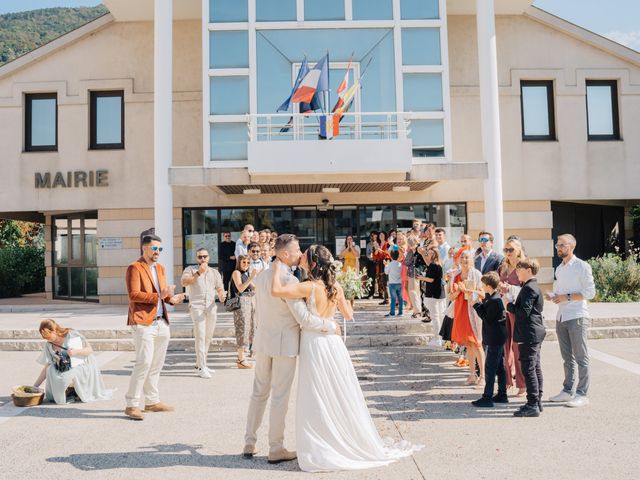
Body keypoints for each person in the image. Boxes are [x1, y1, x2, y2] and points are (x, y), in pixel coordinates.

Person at [269, 244, 422, 472]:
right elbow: (348, 315)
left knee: (317, 393)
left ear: (312, 264)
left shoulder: (308, 287)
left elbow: (276, 291)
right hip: (334, 344)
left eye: (305, 255)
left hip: (315, 343)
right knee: (337, 391)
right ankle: (339, 438)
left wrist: (275, 268)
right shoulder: (335, 287)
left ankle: (322, 444)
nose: (301, 256)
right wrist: (343, 297)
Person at [243, 235, 340, 464]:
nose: (300, 254)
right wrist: (330, 325)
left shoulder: (265, 276)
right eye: (297, 250)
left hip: (263, 341)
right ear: (285, 254)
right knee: (279, 397)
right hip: (283, 344)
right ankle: (276, 448)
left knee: (258, 393)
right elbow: (304, 319)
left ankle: (249, 441)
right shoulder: (289, 281)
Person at [124, 234, 185, 421]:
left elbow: (163, 295)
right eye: (155, 248)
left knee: (157, 364)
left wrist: (171, 299)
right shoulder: (135, 267)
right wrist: (160, 295)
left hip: (161, 322)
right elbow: (134, 295)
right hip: (143, 322)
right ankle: (131, 404)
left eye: (160, 249)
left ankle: (151, 401)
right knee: (143, 363)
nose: (158, 252)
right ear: (145, 248)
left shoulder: (160, 268)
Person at [546, 234, 596, 408]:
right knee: (567, 358)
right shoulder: (559, 268)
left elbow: (590, 293)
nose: (558, 248)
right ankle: (567, 391)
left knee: (581, 357)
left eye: (562, 245)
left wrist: (565, 297)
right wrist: (554, 296)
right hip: (561, 316)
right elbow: (561, 292)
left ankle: (582, 394)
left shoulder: (582, 266)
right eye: (557, 245)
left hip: (577, 316)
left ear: (572, 246)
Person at [34, 319, 112, 404]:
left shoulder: (71, 335)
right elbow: (47, 367)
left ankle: (73, 391)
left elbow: (90, 350)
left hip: (82, 363)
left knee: (68, 375)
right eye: (45, 338)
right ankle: (63, 393)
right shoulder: (49, 345)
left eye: (48, 337)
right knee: (50, 369)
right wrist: (35, 387)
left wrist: (76, 352)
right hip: (64, 367)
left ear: (54, 331)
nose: (47, 340)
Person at [507, 258, 546, 417]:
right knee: (535, 367)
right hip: (533, 331)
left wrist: (509, 304)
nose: (516, 272)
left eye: (519, 269)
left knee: (529, 368)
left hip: (529, 332)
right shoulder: (532, 286)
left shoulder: (529, 288)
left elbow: (523, 312)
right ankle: (537, 401)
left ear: (529, 270)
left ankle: (532, 404)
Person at [181, 247, 226, 378]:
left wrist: (222, 295)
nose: (202, 259)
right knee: (200, 336)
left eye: (205, 256)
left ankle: (201, 364)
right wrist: (198, 273)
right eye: (200, 257)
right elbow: (184, 282)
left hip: (211, 306)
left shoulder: (214, 272)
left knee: (208, 336)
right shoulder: (190, 270)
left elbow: (220, 288)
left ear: (209, 258)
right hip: (197, 306)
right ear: (196, 258)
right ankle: (201, 367)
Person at [471, 272, 508, 407]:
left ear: (488, 286)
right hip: (497, 336)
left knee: (490, 368)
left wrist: (476, 306)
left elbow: (487, 318)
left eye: (483, 284)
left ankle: (487, 397)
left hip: (495, 337)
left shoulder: (495, 300)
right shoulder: (492, 297)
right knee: (499, 367)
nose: (481, 287)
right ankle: (502, 394)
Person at [450, 250, 485, 385]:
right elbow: (451, 296)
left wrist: (467, 290)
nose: (464, 260)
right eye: (462, 257)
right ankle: (472, 375)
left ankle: (483, 376)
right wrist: (459, 290)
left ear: (472, 260)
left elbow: (482, 293)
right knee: (468, 345)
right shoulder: (456, 275)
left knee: (477, 344)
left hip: (473, 313)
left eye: (467, 257)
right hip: (460, 311)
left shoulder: (476, 274)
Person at [499, 238, 527, 396]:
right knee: (505, 346)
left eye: (511, 250)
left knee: (517, 347)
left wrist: (510, 288)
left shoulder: (524, 267)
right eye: (506, 250)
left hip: (517, 311)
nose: (508, 253)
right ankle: (508, 380)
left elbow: (528, 289)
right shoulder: (503, 267)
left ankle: (522, 384)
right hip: (504, 310)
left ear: (518, 249)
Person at [230, 255, 257, 368]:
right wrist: (251, 278)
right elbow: (240, 288)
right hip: (241, 304)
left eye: (248, 262)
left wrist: (254, 278)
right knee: (242, 329)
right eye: (244, 262)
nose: (246, 264)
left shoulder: (246, 274)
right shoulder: (236, 272)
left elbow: (254, 288)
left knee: (250, 328)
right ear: (239, 263)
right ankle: (241, 358)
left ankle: (243, 356)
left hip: (250, 302)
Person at [418, 247, 445, 346]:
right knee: (439, 316)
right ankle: (440, 338)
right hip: (439, 293)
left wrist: (421, 278)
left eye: (429, 253)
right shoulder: (437, 264)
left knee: (435, 317)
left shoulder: (433, 265)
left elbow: (432, 279)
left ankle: (437, 338)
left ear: (434, 255)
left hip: (434, 293)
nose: (427, 255)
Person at [404, 237, 422, 318]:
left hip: (414, 273)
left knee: (412, 291)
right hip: (417, 273)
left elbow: (406, 262)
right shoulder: (418, 250)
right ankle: (417, 310)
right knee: (416, 292)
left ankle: (418, 310)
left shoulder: (413, 251)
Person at [384, 249, 404, 317]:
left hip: (392, 283)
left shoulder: (390, 264)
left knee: (393, 299)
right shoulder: (400, 264)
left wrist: (386, 265)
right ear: (398, 256)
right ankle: (401, 312)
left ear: (391, 256)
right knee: (400, 298)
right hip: (399, 283)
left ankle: (392, 313)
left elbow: (386, 272)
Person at [373, 231, 390, 305]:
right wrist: (377, 250)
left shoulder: (387, 243)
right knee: (382, 281)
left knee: (387, 280)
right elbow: (375, 256)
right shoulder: (378, 244)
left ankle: (388, 298)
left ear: (385, 236)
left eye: (382, 235)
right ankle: (385, 298)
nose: (381, 236)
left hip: (386, 262)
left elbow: (388, 254)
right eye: (380, 235)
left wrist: (380, 250)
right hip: (380, 263)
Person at [365, 232, 378, 298]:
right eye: (373, 237)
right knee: (371, 278)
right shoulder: (369, 244)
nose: (374, 238)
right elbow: (367, 254)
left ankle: (381, 293)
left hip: (378, 262)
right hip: (371, 262)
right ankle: (371, 293)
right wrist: (370, 256)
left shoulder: (378, 244)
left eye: (375, 237)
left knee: (379, 278)